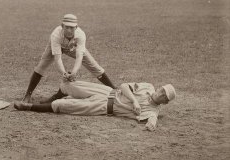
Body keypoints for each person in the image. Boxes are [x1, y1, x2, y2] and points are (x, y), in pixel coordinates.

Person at [22, 14, 115, 103]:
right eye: (67, 27)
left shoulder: (81, 35)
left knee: (94, 66)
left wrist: (74, 72)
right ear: (62, 26)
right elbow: (57, 58)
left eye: (72, 27)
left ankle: (114, 90)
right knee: (41, 66)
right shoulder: (56, 34)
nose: (69, 30)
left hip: (72, 47)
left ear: (76, 27)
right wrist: (64, 73)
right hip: (57, 46)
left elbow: (79, 57)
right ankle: (28, 94)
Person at [14, 80, 176, 131]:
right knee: (70, 85)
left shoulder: (152, 111)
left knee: (63, 105)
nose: (160, 93)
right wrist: (134, 101)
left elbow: (152, 123)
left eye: (163, 96)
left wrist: (151, 124)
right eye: (161, 89)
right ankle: (51, 98)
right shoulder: (148, 87)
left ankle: (29, 107)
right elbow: (124, 86)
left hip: (104, 107)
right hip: (107, 91)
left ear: (165, 102)